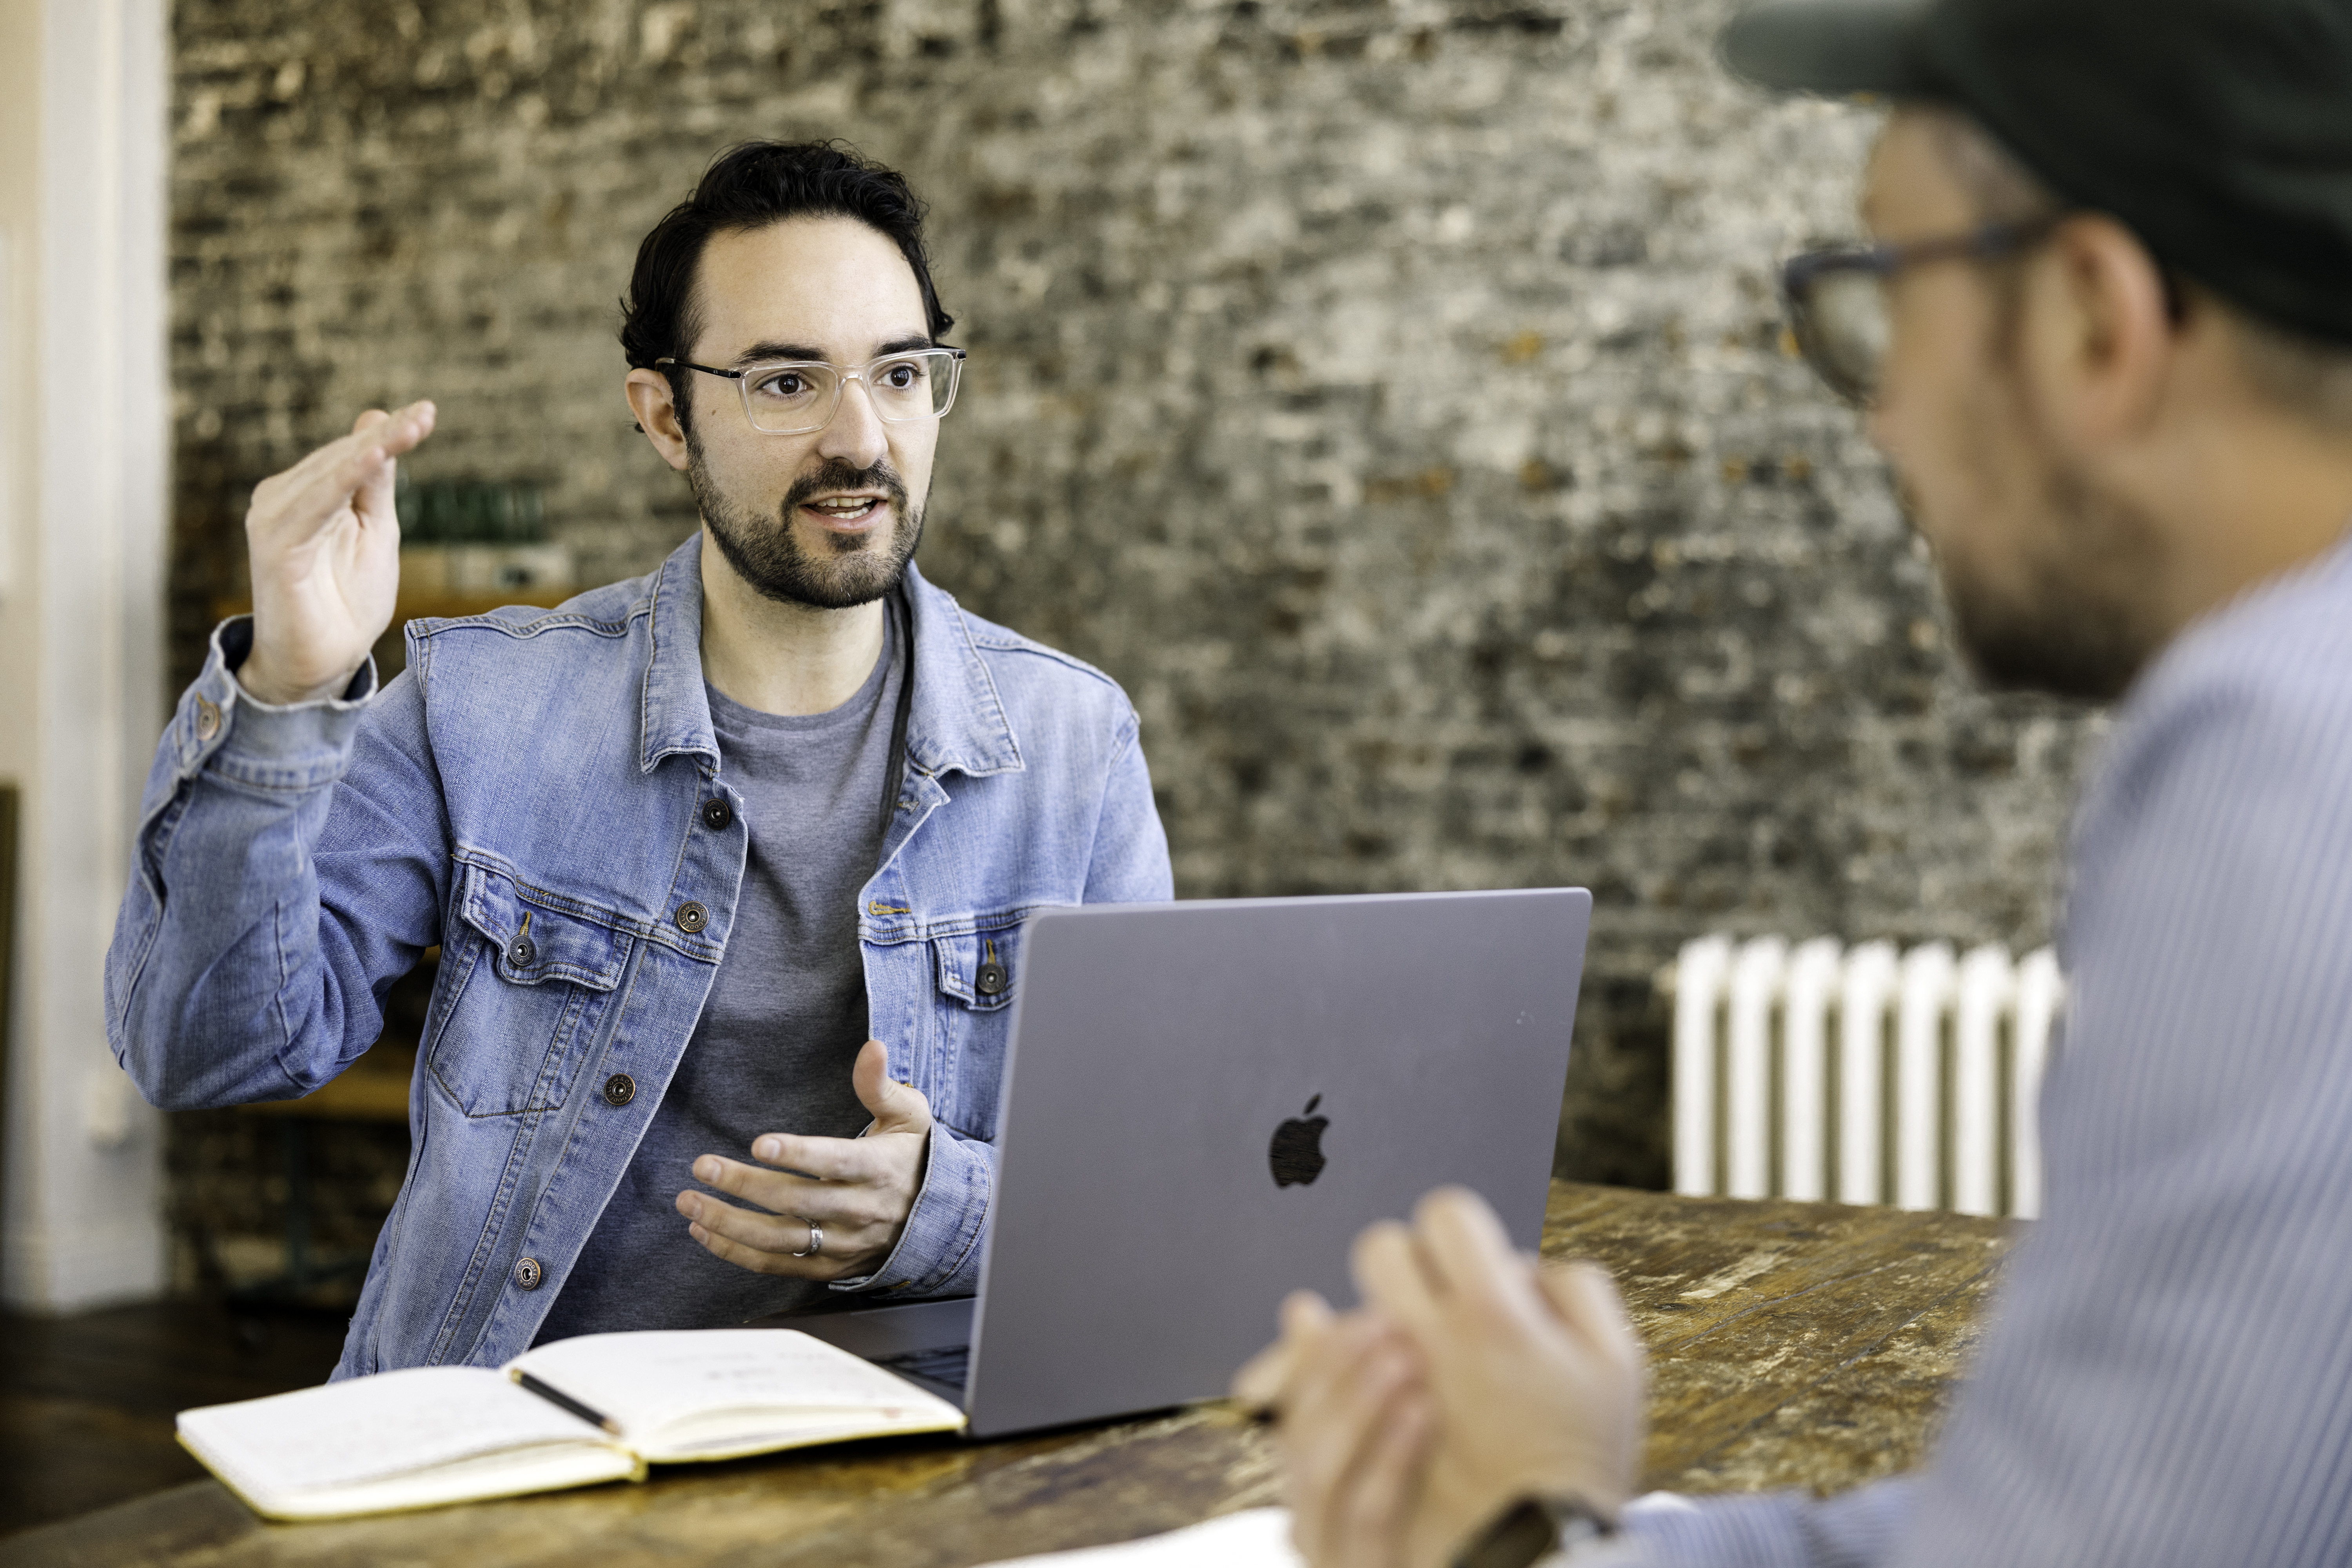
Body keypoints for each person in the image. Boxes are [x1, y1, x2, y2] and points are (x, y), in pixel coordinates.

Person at [1240, 0, 2352, 1563]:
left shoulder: (2280, 763)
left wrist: (1522, 1531)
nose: (1882, 411)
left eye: (1887, 295)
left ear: (2097, 317)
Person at [106, 141, 1171, 1378]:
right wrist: (284, 693)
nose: (860, 438)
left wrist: (939, 1209)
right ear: (666, 417)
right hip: (514, 1440)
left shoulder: (1072, 746)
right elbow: (207, 1050)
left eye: (899, 373)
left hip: (903, 1455)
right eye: (786, 383)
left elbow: (1139, 1180)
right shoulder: (481, 707)